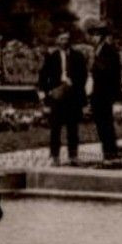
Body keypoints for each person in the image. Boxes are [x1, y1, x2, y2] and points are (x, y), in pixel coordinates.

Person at [38, 31, 88, 163]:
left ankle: (73, 155)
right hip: (57, 95)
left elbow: (83, 77)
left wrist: (75, 83)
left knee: (73, 128)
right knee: (56, 128)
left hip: (72, 96)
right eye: (61, 39)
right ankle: (55, 156)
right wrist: (47, 95)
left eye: (67, 38)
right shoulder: (52, 57)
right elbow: (43, 77)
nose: (64, 41)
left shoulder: (78, 56)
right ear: (57, 40)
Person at [88, 23, 122, 160]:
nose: (94, 38)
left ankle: (110, 152)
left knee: (106, 123)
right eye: (93, 35)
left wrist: (96, 65)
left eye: (97, 35)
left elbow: (111, 72)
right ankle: (107, 151)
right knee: (100, 123)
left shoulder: (108, 51)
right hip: (97, 92)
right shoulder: (97, 50)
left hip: (105, 93)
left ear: (102, 36)